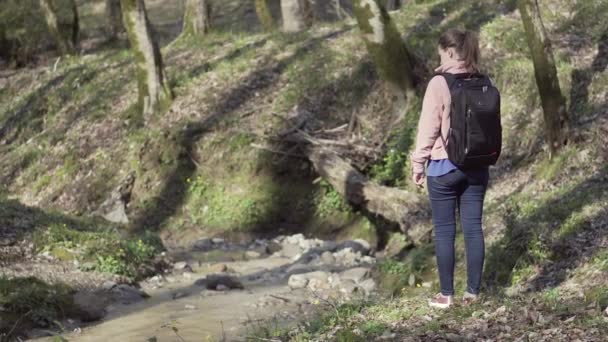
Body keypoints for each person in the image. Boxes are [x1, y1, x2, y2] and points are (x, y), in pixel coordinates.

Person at [411, 28, 490, 309]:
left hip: (444, 166)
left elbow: (428, 129)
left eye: (441, 52)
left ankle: (446, 295)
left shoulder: (439, 83)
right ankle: (473, 294)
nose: (439, 57)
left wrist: (418, 163)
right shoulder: (483, 79)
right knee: (473, 228)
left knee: (445, 231)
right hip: (478, 165)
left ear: (450, 52)